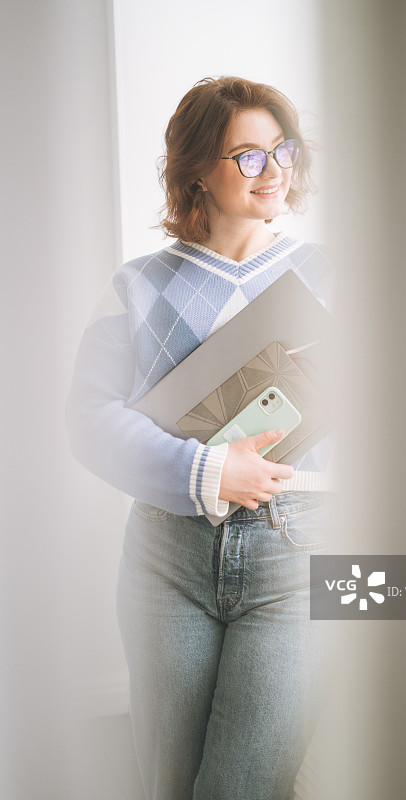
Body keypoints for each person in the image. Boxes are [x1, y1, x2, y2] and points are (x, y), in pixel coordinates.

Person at [67, 75, 334, 800]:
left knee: (241, 785)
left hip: (297, 555)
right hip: (164, 559)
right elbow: (87, 422)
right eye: (247, 156)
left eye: (283, 150)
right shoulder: (138, 284)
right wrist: (207, 470)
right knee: (170, 783)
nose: (274, 170)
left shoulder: (334, 278)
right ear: (195, 173)